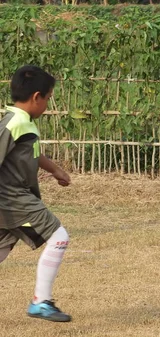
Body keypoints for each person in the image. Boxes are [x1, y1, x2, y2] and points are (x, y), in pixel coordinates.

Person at [0, 65, 72, 322]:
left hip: (11, 201)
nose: (48, 106)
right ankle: (41, 301)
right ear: (36, 97)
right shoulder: (14, 123)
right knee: (59, 235)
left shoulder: (23, 122)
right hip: (13, 198)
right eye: (48, 99)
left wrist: (56, 170)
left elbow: (32, 153)